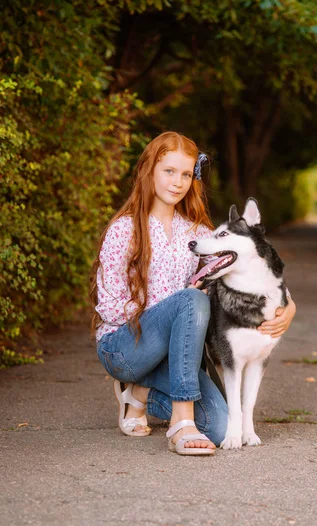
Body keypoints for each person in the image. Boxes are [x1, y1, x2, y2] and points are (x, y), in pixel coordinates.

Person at [90, 131, 296, 456]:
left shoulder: (198, 234)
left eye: (186, 174)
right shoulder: (125, 229)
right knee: (192, 299)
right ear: (149, 171)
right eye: (169, 171)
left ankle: (137, 395)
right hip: (125, 348)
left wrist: (288, 305)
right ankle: (181, 422)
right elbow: (111, 308)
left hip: (177, 354)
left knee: (218, 427)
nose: (178, 182)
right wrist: (175, 309)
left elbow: (248, 268)